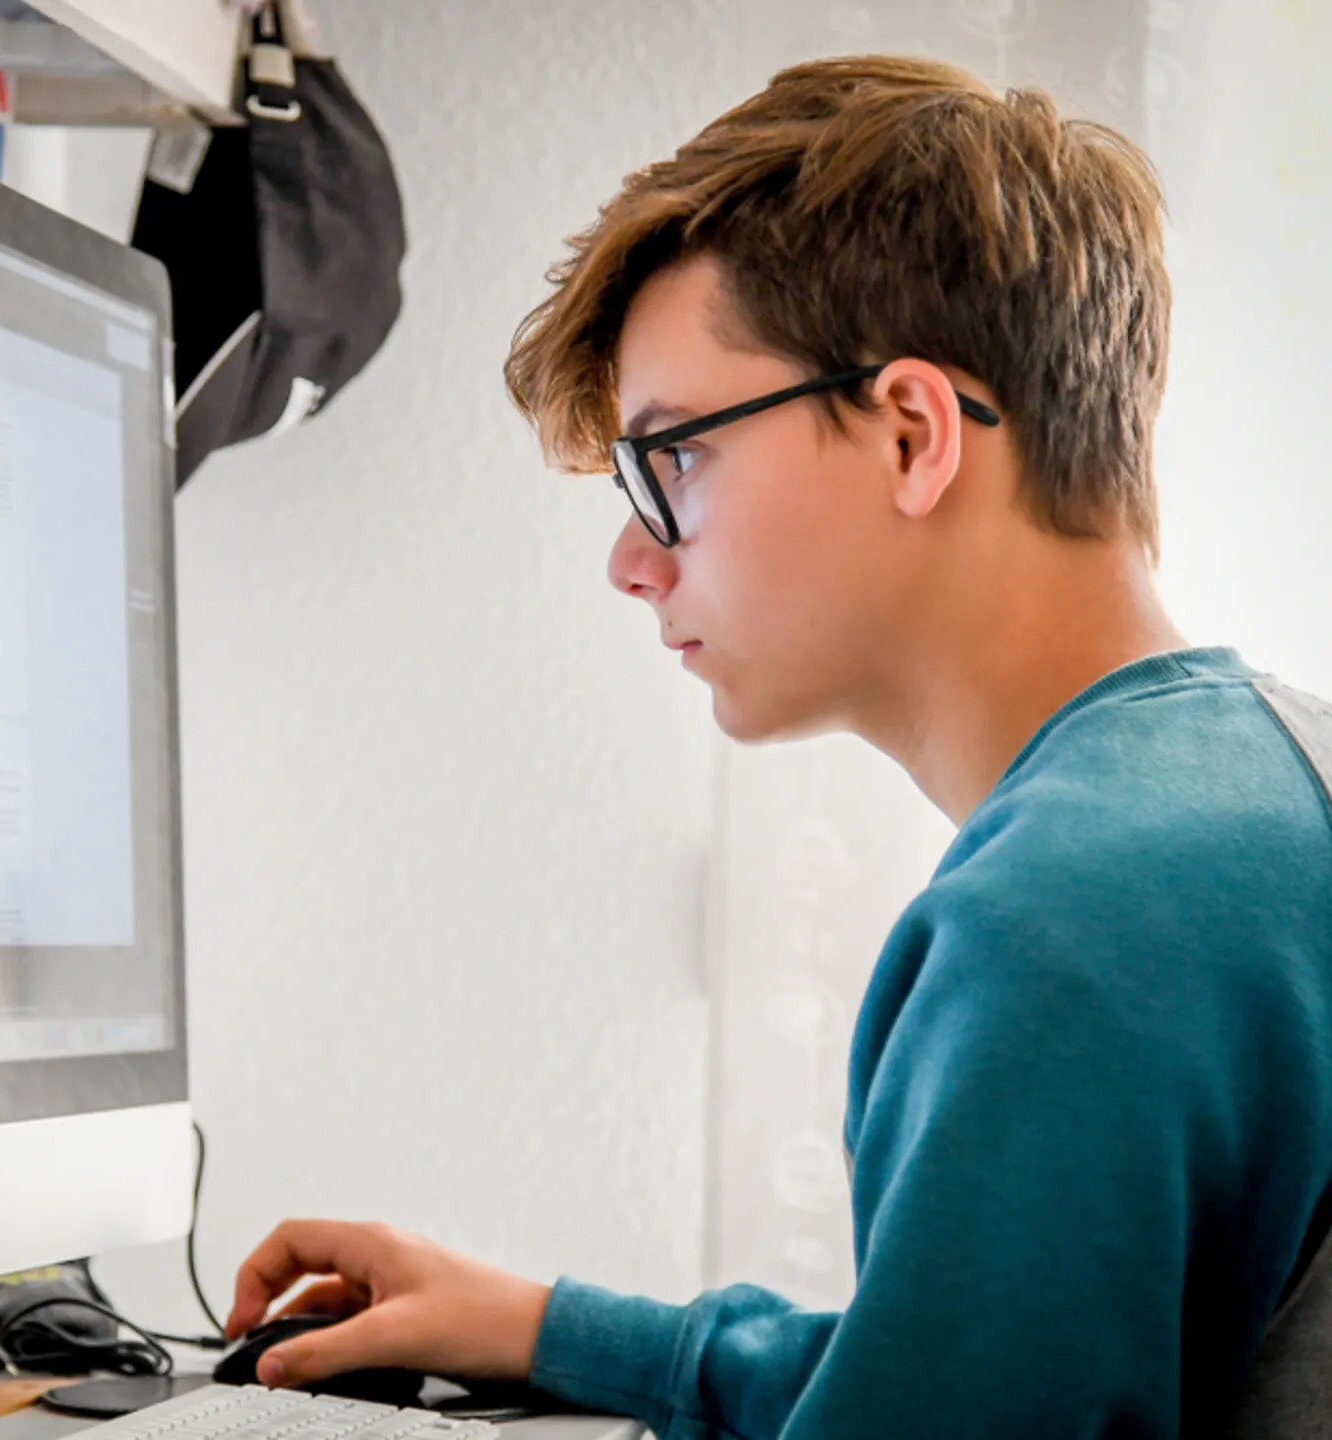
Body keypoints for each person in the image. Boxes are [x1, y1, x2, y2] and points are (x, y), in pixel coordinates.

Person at [221, 54, 1332, 1438]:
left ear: (915, 432)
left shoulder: (1071, 921)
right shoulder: (1264, 791)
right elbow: (984, 1366)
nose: (630, 561)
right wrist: (555, 1329)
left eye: (672, 459)